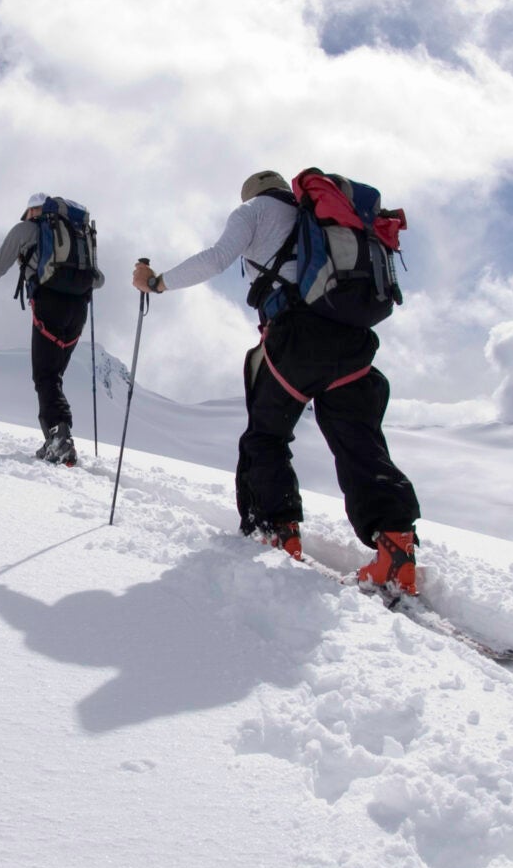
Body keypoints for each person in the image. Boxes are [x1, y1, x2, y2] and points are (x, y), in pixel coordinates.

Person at [132, 171, 423, 594]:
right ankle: (396, 549)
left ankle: (276, 530)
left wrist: (157, 282)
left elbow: (216, 258)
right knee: (359, 440)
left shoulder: (253, 210)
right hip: (352, 339)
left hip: (297, 338)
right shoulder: (318, 216)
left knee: (265, 436)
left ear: (250, 193)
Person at [0, 194, 102, 466]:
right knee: (53, 376)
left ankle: (59, 438)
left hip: (49, 305)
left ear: (32, 210)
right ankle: (55, 437)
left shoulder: (25, 230)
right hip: (79, 309)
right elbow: (98, 279)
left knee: (45, 376)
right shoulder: (78, 233)